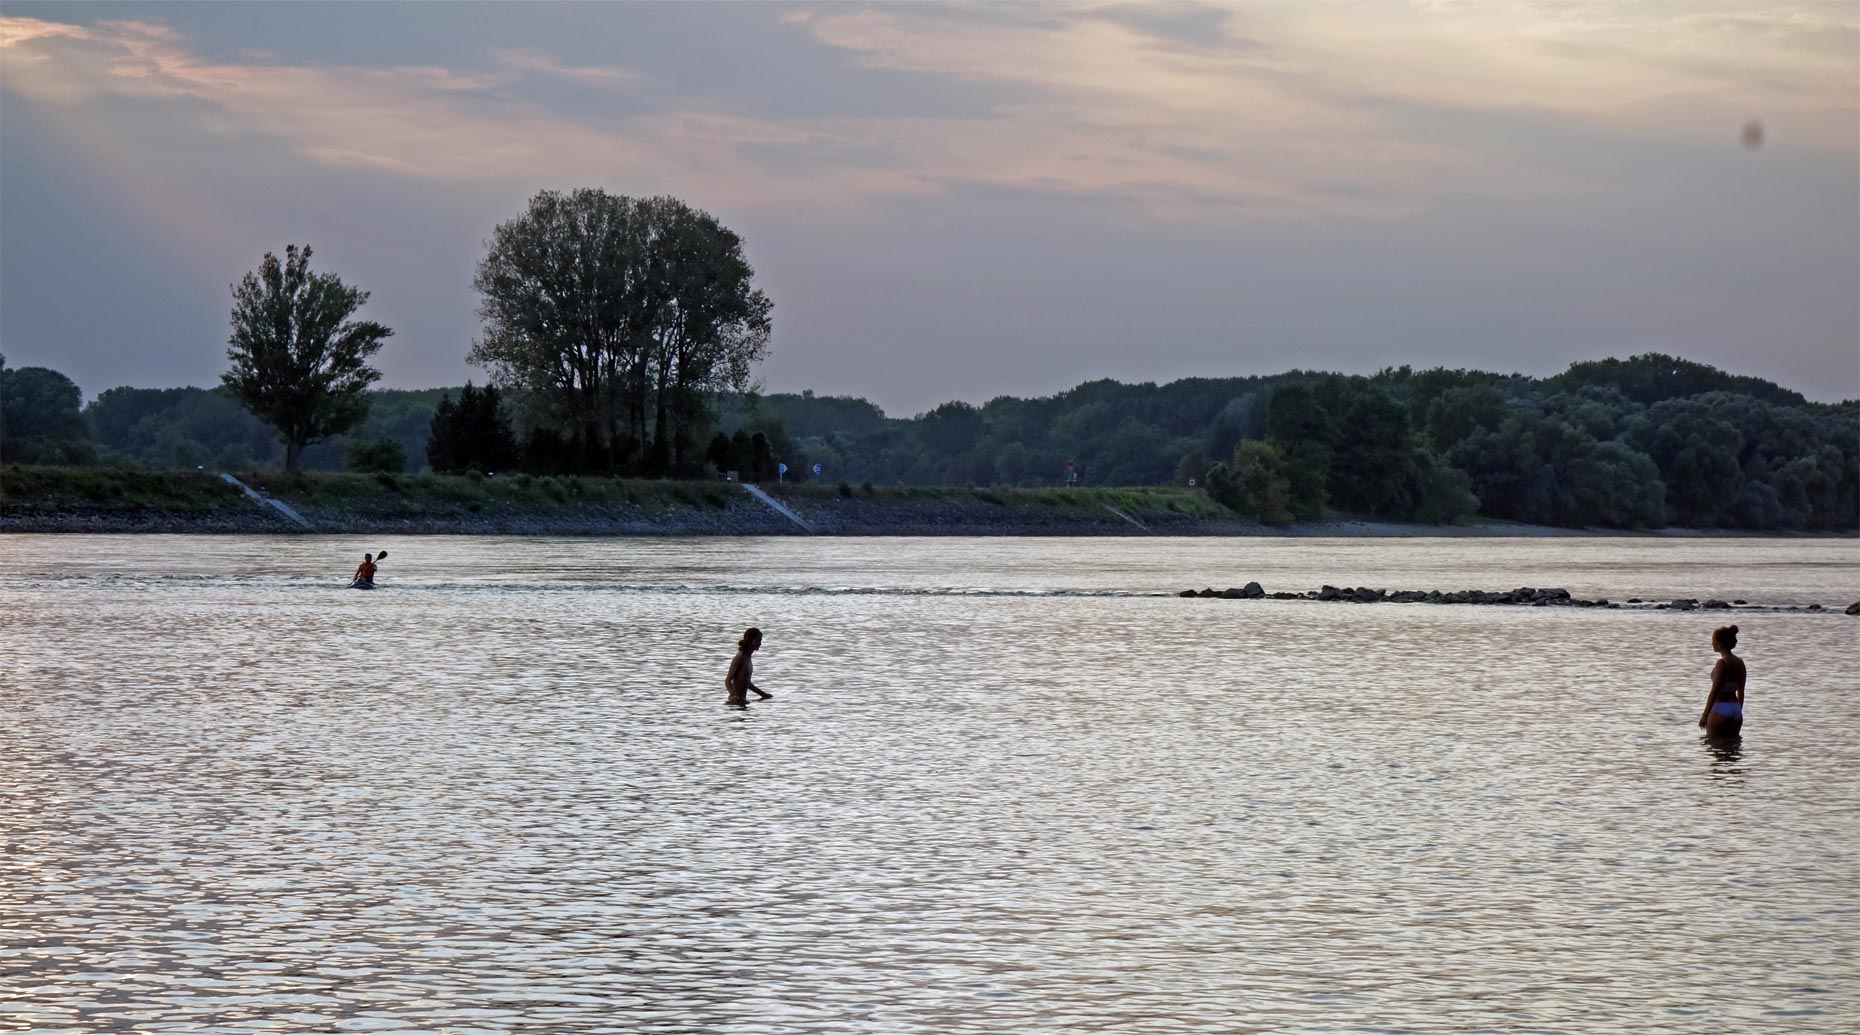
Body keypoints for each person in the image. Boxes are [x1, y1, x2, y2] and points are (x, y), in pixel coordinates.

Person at [1698, 624, 1745, 737]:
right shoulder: (1740, 662)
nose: (1712, 643)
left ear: (1720, 643)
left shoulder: (1722, 663)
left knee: (1715, 747)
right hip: (1736, 708)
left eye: (1713, 641)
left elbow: (1715, 690)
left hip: (1720, 707)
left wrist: (1705, 715)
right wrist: (1738, 712)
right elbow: (1741, 691)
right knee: (1733, 748)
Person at [725, 627, 772, 706]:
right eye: (757, 640)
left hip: (742, 702)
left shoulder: (748, 658)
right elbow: (727, 681)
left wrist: (764, 695)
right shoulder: (739, 657)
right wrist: (733, 696)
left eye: (760, 640)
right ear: (749, 640)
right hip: (735, 704)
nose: (760, 643)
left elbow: (747, 683)